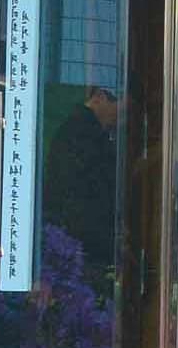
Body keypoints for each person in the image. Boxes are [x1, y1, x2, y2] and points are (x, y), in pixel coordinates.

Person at [45, 86, 121, 278]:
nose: (120, 117)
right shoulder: (85, 134)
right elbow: (95, 190)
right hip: (84, 236)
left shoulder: (77, 129)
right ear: (100, 97)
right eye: (119, 107)